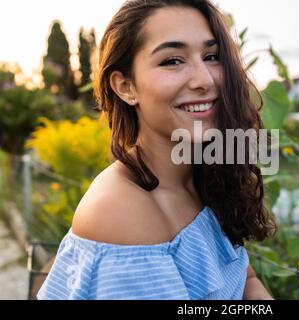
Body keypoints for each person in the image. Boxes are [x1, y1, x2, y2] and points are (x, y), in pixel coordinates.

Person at [37, 0, 277, 300]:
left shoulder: (203, 176)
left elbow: (244, 280)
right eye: (172, 61)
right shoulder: (120, 215)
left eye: (212, 56)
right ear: (126, 87)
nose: (205, 79)